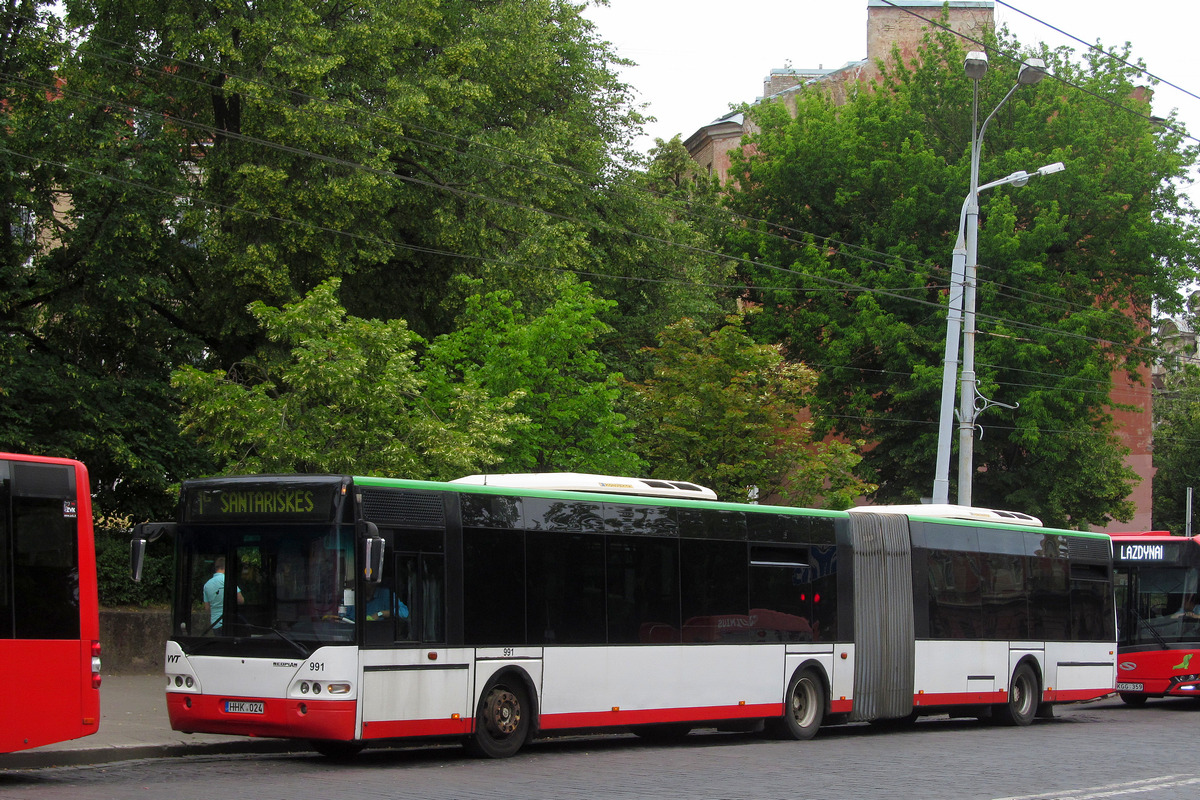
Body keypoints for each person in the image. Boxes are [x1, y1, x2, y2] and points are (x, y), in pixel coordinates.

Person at [203, 556, 244, 629]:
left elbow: (207, 608)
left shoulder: (207, 585)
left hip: (215, 624)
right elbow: (240, 600)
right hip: (229, 623)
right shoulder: (228, 580)